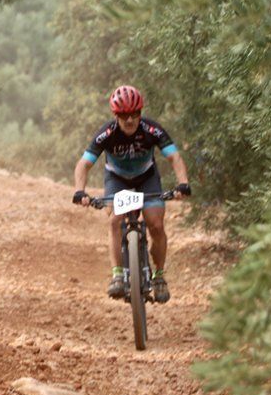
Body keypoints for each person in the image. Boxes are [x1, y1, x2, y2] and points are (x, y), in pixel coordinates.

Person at [71, 85, 191, 303]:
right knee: (115, 220)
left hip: (147, 177)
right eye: (124, 115)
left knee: (155, 223)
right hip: (117, 180)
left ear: (140, 113)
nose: (129, 120)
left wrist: (183, 184)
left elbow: (174, 157)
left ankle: (159, 276)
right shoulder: (106, 134)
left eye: (134, 114)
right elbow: (84, 164)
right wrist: (80, 191)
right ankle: (117, 274)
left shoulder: (152, 130)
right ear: (116, 115)